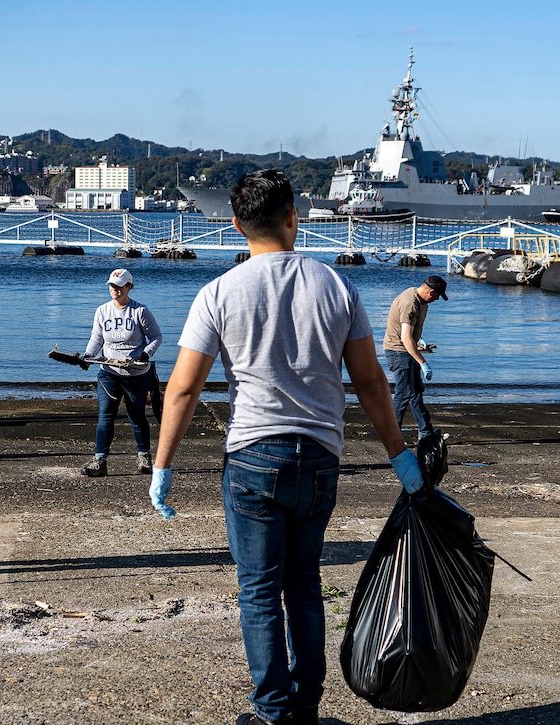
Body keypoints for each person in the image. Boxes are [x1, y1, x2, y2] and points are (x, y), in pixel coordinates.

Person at [148, 170, 425, 725]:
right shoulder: (334, 284)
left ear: (235, 225)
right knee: (304, 581)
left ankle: (272, 712)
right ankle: (305, 708)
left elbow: (182, 387)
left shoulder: (219, 292)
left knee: (258, 589)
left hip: (253, 457)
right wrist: (401, 456)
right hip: (320, 457)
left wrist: (163, 465)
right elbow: (370, 381)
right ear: (293, 217)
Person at [79, 268, 163, 478]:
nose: (114, 289)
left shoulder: (139, 311)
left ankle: (144, 457)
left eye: (119, 285)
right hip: (108, 372)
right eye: (112, 285)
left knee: (137, 417)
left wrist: (145, 354)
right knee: (106, 416)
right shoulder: (102, 311)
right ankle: (100, 461)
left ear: (129, 287)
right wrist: (88, 355)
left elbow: (156, 337)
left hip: (136, 373)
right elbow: (96, 338)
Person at [382, 275, 447, 444]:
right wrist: (423, 362)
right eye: (437, 295)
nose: (437, 299)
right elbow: (405, 337)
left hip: (407, 350)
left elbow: (412, 333)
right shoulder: (410, 302)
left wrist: (420, 341)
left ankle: (425, 431)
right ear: (431, 291)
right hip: (398, 351)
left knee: (416, 392)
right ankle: (392, 434)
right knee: (403, 393)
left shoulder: (422, 301)